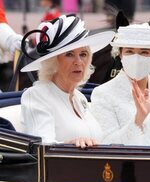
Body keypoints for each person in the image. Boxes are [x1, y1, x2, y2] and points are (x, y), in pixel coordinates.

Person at [20, 15, 114, 148]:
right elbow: (41, 146)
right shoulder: (36, 95)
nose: (78, 62)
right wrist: (69, 145)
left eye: (83, 54)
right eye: (69, 54)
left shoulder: (80, 98)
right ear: (53, 62)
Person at [90, 22, 150, 147]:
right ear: (120, 55)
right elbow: (106, 144)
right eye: (129, 51)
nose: (136, 58)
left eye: (144, 52)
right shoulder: (103, 93)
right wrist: (138, 120)